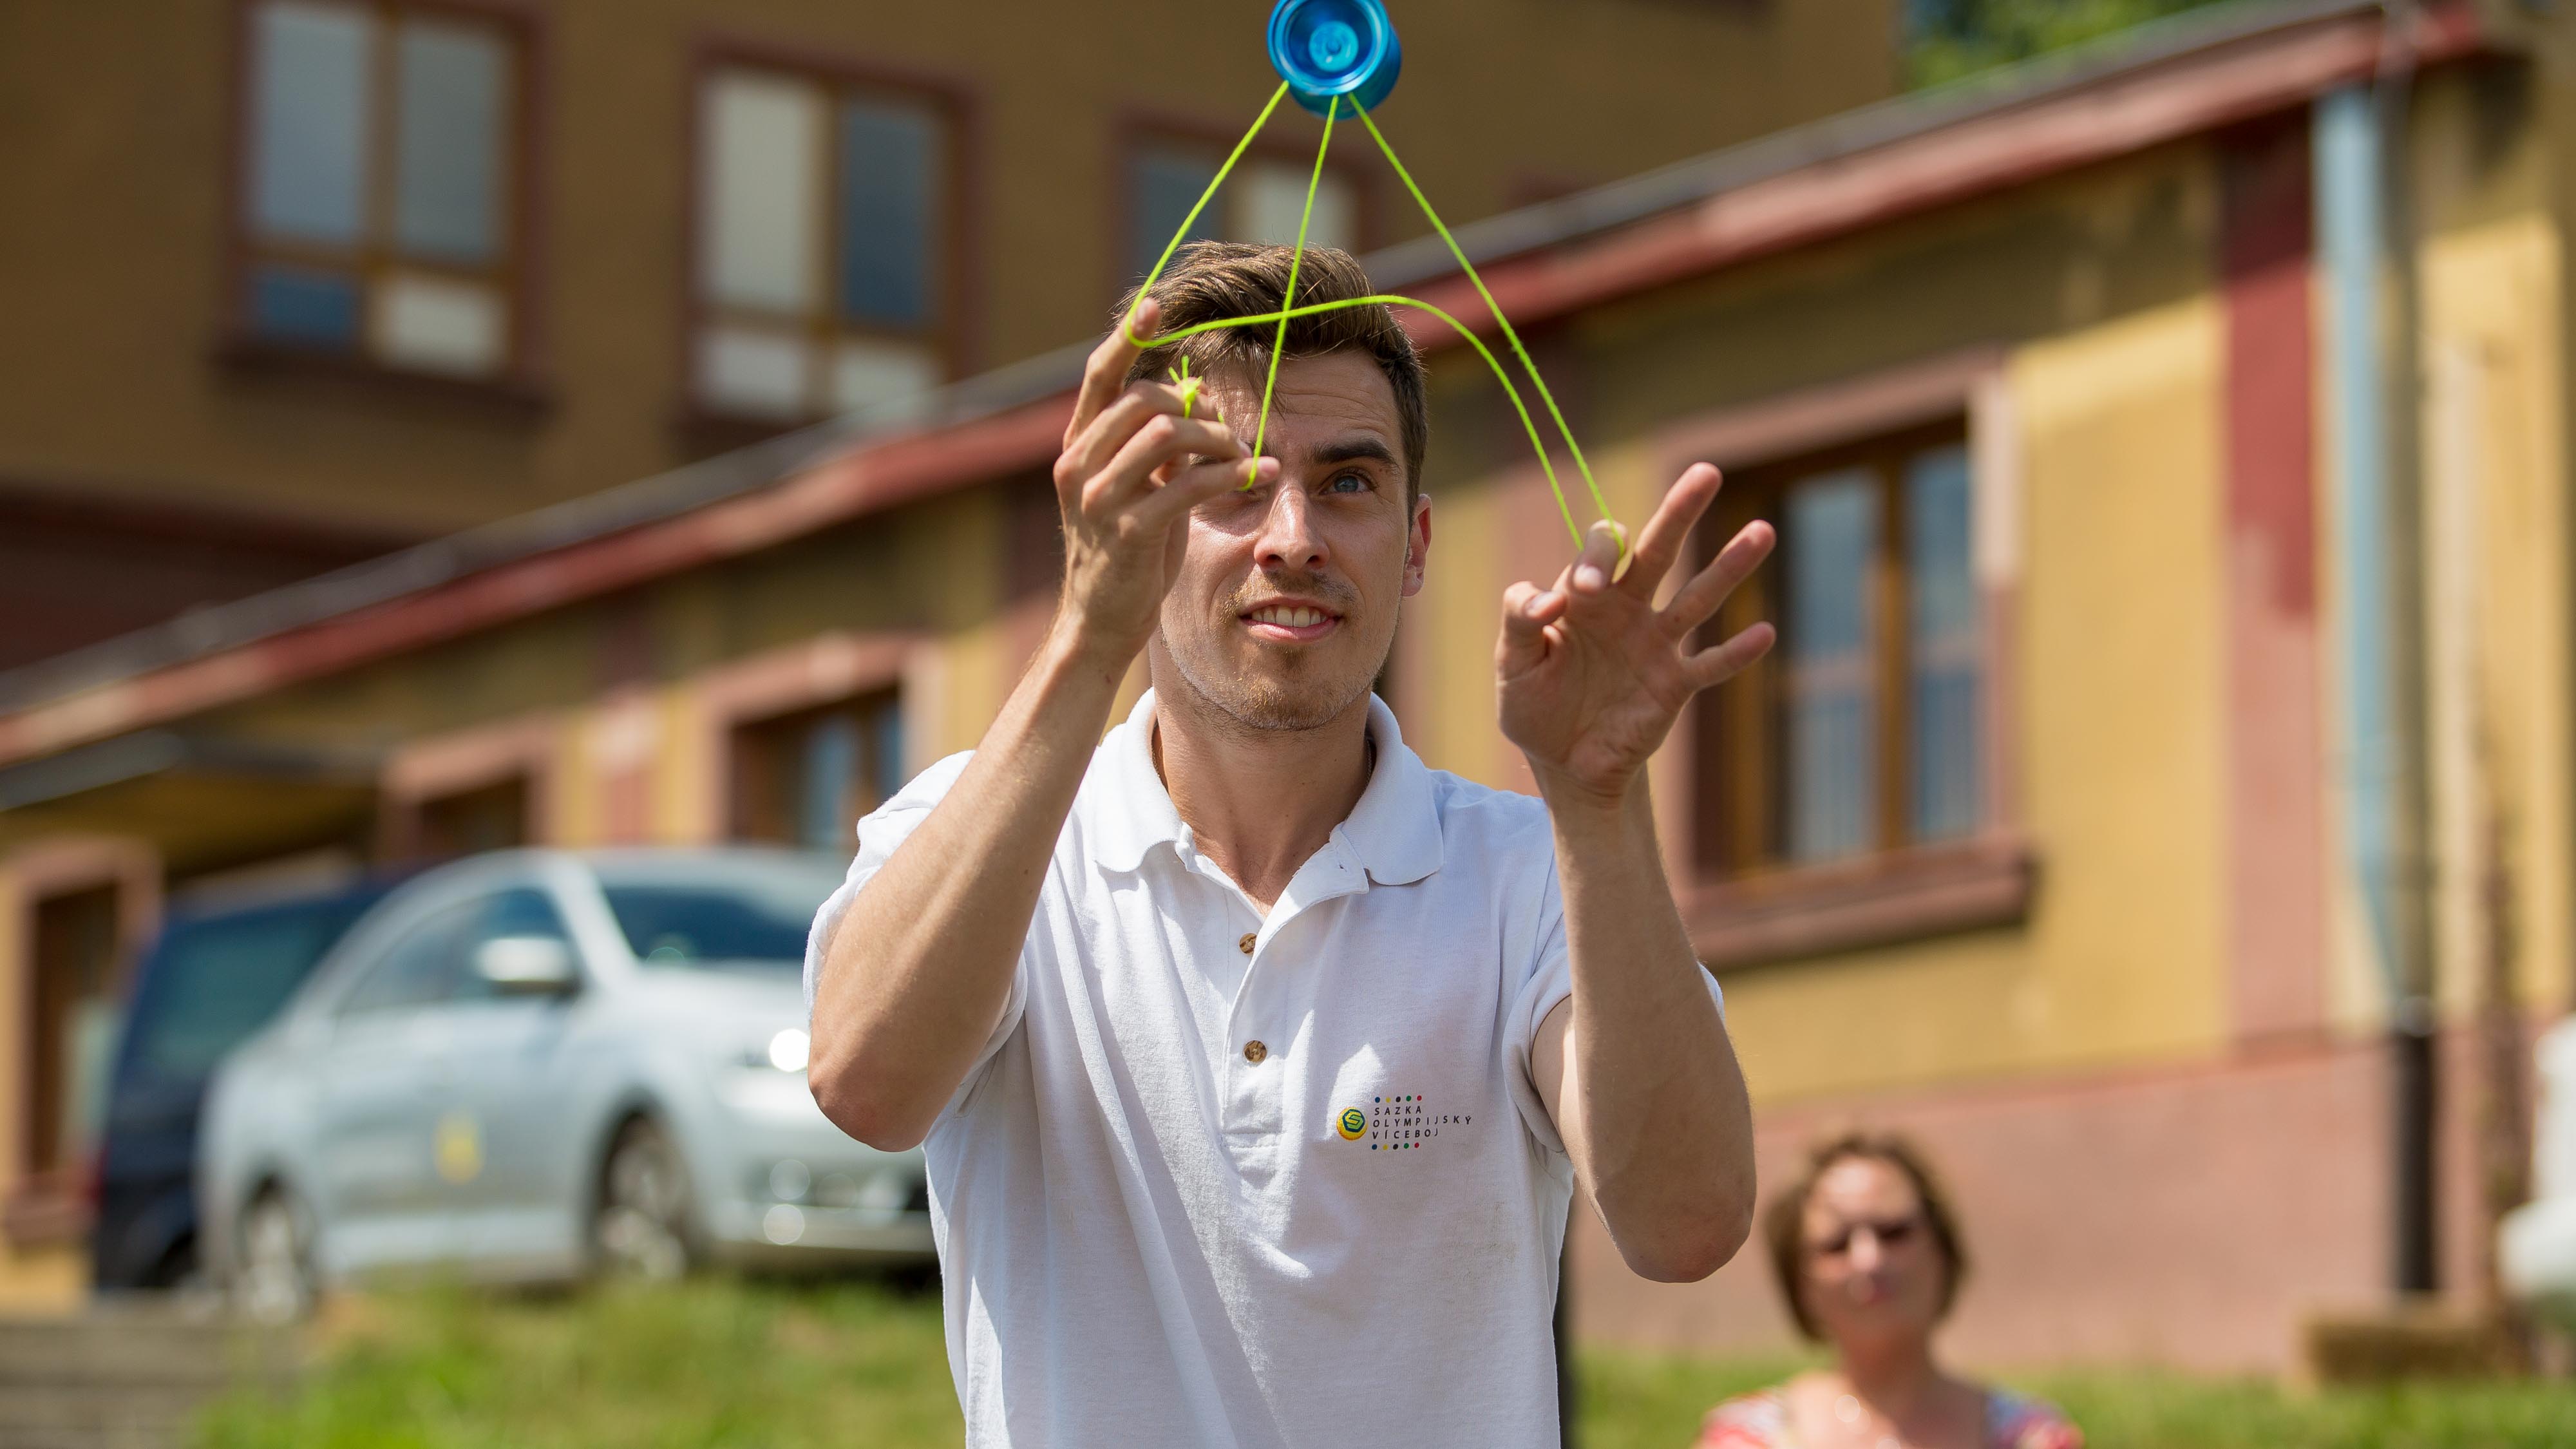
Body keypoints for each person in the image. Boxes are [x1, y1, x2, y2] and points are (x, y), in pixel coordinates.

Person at [802, 240, 1777, 1448]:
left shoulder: (1531, 869)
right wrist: (1087, 633)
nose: (1295, 537)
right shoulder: (982, 828)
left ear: (1415, 544)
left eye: (1349, 482)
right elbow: (865, 1089)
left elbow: (1686, 1225)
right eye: (1234, 482)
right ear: (1132, 517)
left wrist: (1600, 804)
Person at [1698, 1132, 2081, 1449]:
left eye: (1894, 1232)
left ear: (1943, 1253)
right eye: (1837, 1244)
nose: (1870, 1261)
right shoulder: (1747, 1438)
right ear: (1800, 1284)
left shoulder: (2031, 1436)